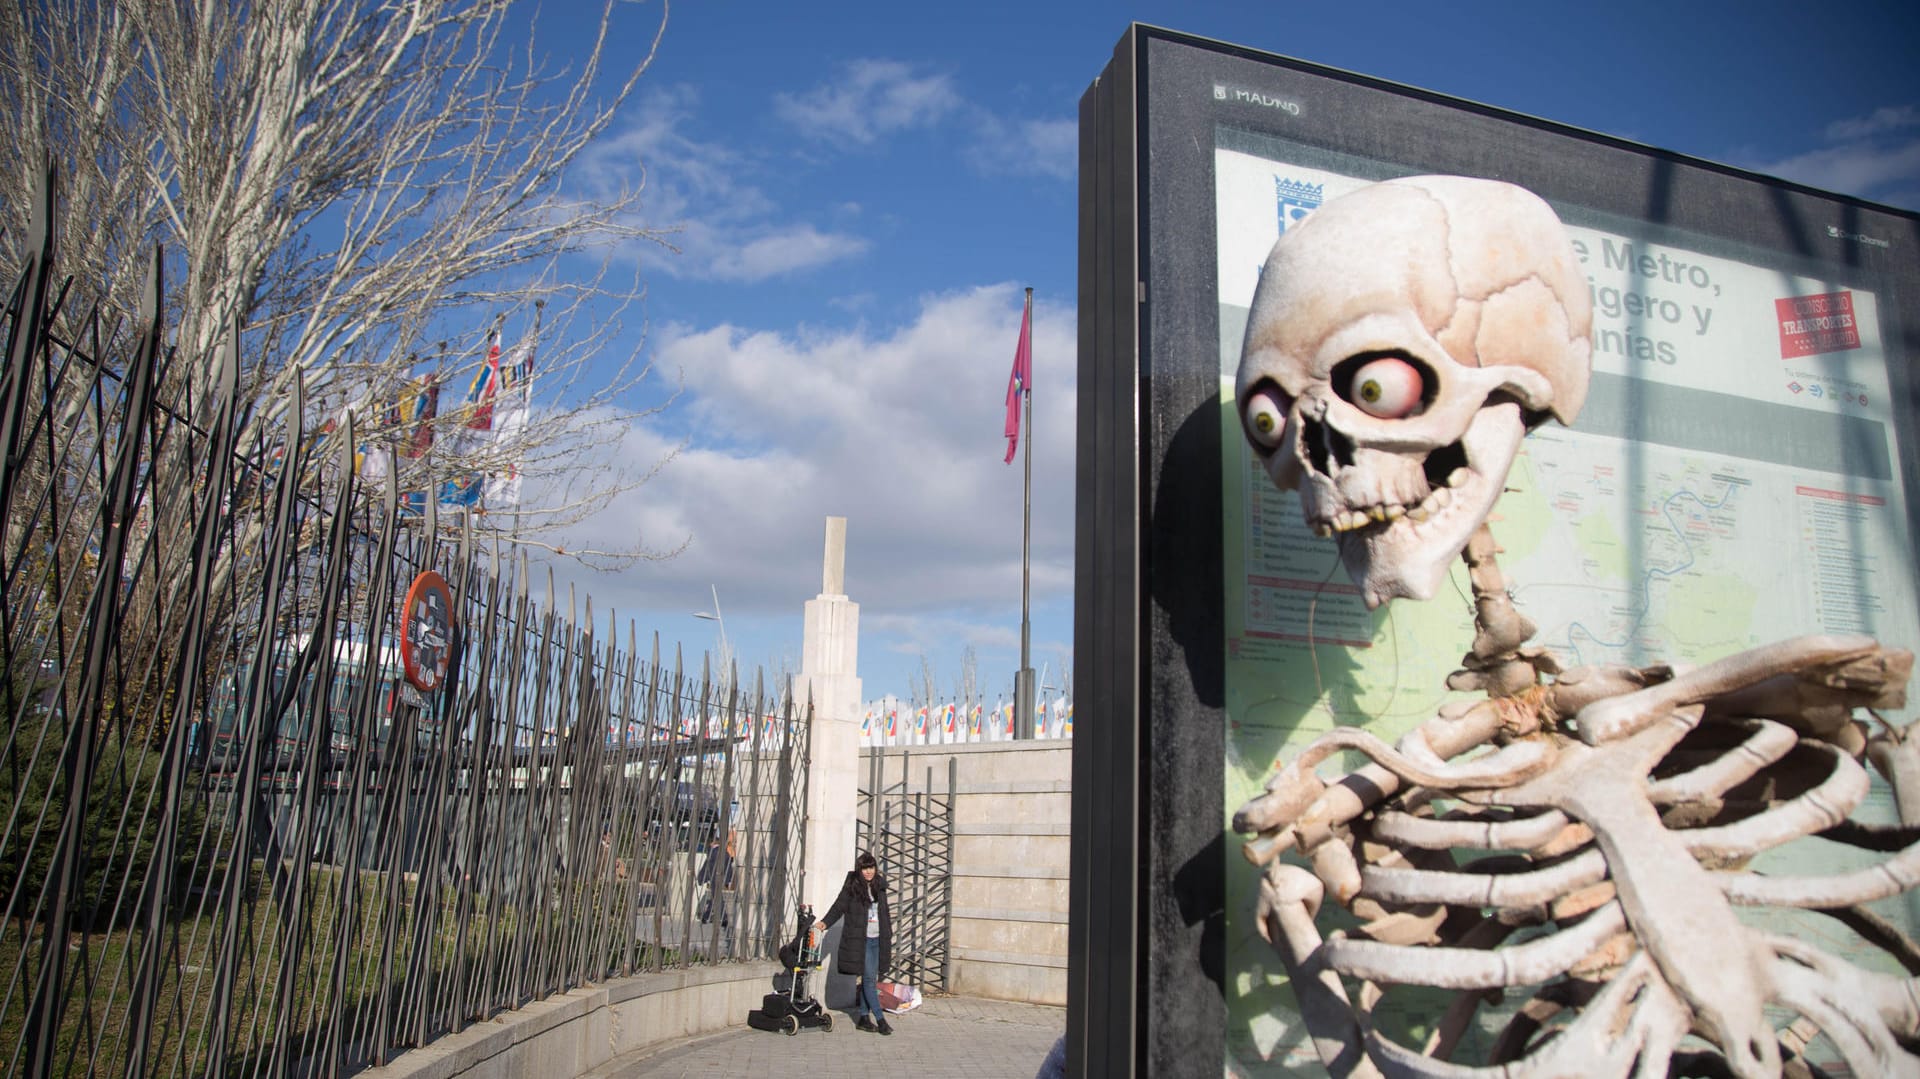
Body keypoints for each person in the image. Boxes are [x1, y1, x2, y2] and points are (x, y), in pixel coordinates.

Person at [816, 850, 894, 1034]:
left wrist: (888, 933)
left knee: (870, 979)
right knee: (868, 980)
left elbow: (885, 913)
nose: (868, 872)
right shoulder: (852, 886)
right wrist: (825, 922)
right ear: (859, 869)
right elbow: (839, 906)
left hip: (877, 939)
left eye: (871, 867)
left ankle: (863, 1018)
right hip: (862, 940)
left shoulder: (879, 887)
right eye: (865, 868)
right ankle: (881, 1020)